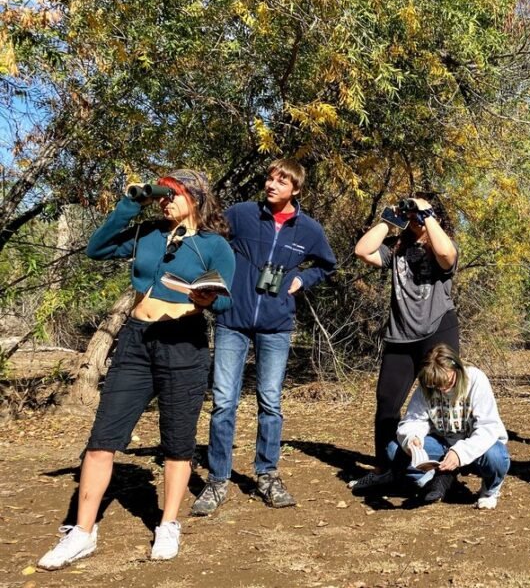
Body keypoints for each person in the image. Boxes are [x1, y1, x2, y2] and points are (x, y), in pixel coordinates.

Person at [38, 170, 235, 569]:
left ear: (195, 198)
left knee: (177, 441)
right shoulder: (147, 233)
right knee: (102, 438)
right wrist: (131, 202)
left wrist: (205, 298)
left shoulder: (215, 246)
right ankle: (82, 532)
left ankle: (168, 524)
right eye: (162, 195)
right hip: (137, 341)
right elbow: (97, 248)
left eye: (172, 195)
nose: (165, 202)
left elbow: (227, 304)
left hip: (184, 343)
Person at [191, 159, 337, 516]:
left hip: (277, 325)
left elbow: (326, 264)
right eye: (269, 178)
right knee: (224, 401)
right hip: (232, 319)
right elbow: (209, 242)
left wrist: (303, 280)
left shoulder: (309, 230)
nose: (271, 185)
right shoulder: (241, 214)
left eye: (281, 181)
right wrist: (213, 284)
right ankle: (218, 479)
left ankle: (267, 474)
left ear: (296, 190)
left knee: (270, 403)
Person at [351, 193, 459, 491]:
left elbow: (447, 255)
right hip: (400, 336)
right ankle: (386, 467)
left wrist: (427, 215)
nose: (413, 216)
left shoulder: (442, 245)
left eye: (418, 211)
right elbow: (362, 250)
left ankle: (445, 471)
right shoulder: (397, 248)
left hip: (438, 330)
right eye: (411, 211)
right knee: (387, 404)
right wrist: (390, 220)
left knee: (443, 400)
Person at [354, 344, 510, 509]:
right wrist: (412, 438)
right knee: (394, 451)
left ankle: (489, 490)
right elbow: (412, 421)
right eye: (436, 385)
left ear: (457, 369)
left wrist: (459, 453)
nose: (442, 389)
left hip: (474, 446)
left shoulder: (476, 379)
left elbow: (488, 427)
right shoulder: (427, 386)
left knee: (497, 456)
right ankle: (429, 478)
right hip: (442, 444)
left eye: (448, 382)